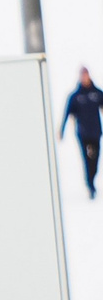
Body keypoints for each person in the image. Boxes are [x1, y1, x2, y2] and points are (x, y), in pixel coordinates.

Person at [61, 68, 102, 201]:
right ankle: (90, 186)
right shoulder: (76, 96)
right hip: (83, 133)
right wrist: (62, 130)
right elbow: (67, 113)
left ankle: (91, 179)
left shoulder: (96, 92)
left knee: (95, 160)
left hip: (95, 132)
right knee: (86, 159)